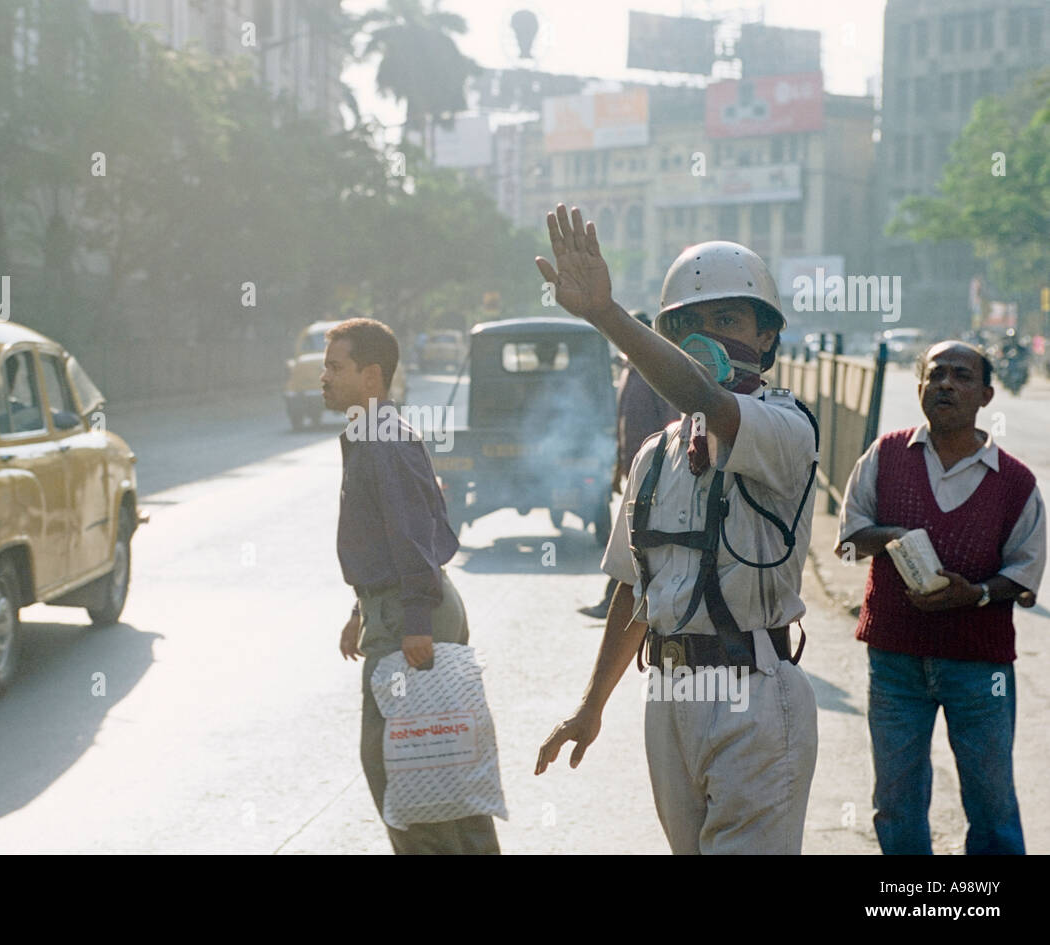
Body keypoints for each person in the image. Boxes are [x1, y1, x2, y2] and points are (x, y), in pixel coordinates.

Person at [534, 205, 819, 854]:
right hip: (668, 695)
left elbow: (710, 402)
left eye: (727, 319)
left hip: (754, 693)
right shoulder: (655, 456)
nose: (706, 334)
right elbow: (636, 592)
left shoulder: (784, 426)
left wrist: (607, 315)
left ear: (767, 337)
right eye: (686, 323)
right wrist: (591, 705)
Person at [836, 340, 1045, 855]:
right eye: (936, 375)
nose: (946, 384)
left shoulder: (1015, 482)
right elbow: (846, 542)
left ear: (986, 394)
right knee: (897, 799)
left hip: (980, 665)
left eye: (961, 376)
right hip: (895, 659)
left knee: (992, 801)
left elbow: (1024, 574)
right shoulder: (884, 456)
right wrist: (888, 537)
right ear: (921, 387)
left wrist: (973, 594)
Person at [323, 317, 501, 855]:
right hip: (398, 610)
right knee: (442, 772)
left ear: (371, 376)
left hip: (411, 617)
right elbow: (385, 535)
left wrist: (414, 624)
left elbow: (413, 535)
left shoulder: (382, 438)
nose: (324, 378)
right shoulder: (370, 433)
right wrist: (361, 610)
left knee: (406, 775)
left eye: (336, 367)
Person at [579, 310, 677, 619]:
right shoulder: (629, 369)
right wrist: (617, 470)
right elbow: (624, 426)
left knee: (636, 540)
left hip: (657, 471)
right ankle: (622, 603)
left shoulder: (657, 370)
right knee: (635, 539)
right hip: (637, 471)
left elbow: (671, 420)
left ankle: (618, 603)